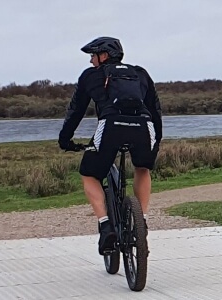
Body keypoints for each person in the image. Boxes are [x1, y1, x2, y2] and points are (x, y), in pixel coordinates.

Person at [57, 36, 164, 255]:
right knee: (142, 167)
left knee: (89, 173)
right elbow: (155, 110)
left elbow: (76, 111)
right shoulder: (140, 73)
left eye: (93, 56)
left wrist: (65, 140)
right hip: (144, 126)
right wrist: (156, 141)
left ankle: (106, 227)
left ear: (103, 56)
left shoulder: (91, 76)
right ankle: (141, 222)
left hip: (111, 125)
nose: (90, 62)